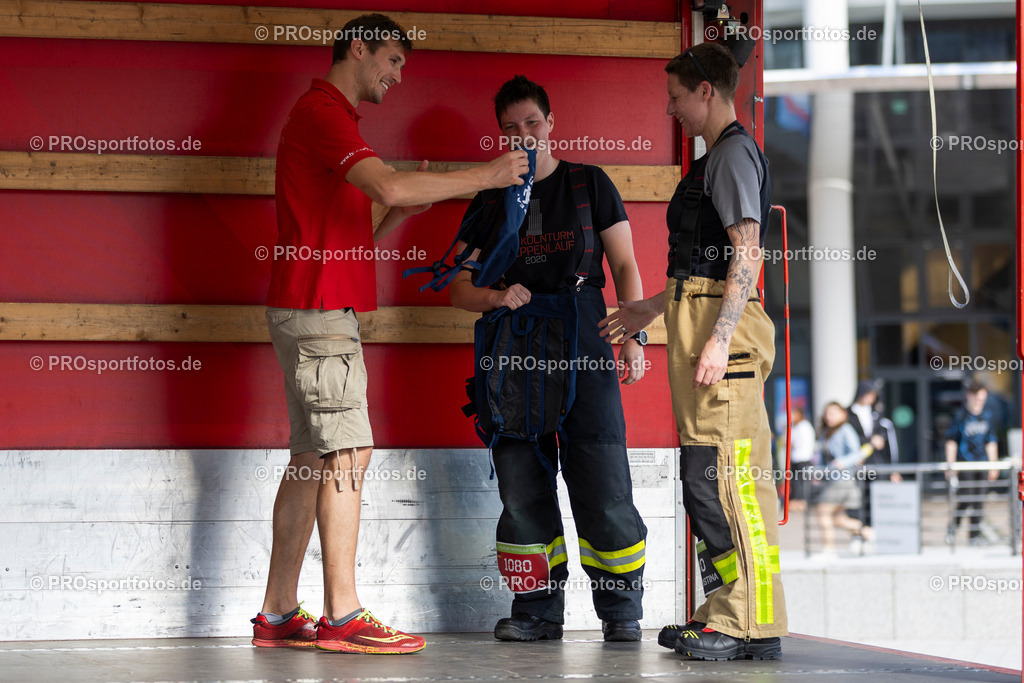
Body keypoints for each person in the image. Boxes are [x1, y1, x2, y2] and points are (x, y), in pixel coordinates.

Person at [254, 13, 529, 654]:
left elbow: (352, 238)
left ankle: (278, 612)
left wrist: (395, 215)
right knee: (348, 454)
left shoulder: (333, 125)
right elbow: (391, 180)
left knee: (312, 461)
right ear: (359, 47)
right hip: (318, 316)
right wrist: (487, 176)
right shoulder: (323, 113)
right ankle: (343, 616)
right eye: (394, 61)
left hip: (311, 307)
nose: (398, 75)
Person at [599, 43, 786, 661]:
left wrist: (720, 338)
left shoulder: (731, 153)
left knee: (729, 481)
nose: (670, 108)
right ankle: (724, 610)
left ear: (706, 90)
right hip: (696, 321)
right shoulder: (717, 157)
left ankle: (749, 621)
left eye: (677, 96)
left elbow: (747, 253)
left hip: (717, 335)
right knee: (704, 480)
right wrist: (648, 311)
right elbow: (699, 268)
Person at [449, 75, 649, 643]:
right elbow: (457, 288)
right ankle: (536, 609)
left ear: (551, 122)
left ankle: (621, 612)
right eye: (510, 129)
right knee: (520, 480)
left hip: (585, 335)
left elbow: (627, 265)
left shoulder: (591, 184)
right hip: (513, 349)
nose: (523, 136)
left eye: (532, 123)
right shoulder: (489, 199)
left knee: (603, 475)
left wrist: (632, 334)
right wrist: (494, 296)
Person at [813, 402, 874, 556]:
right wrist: (819, 472)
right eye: (827, 413)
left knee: (823, 512)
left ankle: (829, 549)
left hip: (842, 478)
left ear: (843, 414)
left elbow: (857, 453)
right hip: (833, 478)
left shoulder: (846, 430)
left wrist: (842, 462)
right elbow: (823, 457)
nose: (829, 416)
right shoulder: (826, 432)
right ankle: (868, 532)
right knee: (839, 518)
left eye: (833, 413)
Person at [944, 381, 999, 546]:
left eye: (983, 398)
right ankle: (953, 529)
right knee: (966, 498)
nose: (980, 401)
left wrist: (993, 465)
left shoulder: (987, 416)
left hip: (981, 463)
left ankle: (974, 536)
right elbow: (951, 441)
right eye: (977, 398)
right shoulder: (960, 416)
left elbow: (991, 441)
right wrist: (950, 465)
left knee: (979, 500)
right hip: (965, 463)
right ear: (970, 396)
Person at [787, 406, 816, 512]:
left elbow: (802, 442)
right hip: (796, 458)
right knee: (795, 481)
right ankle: (796, 500)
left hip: (803, 457)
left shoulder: (804, 426)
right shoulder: (796, 426)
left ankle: (801, 501)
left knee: (801, 481)